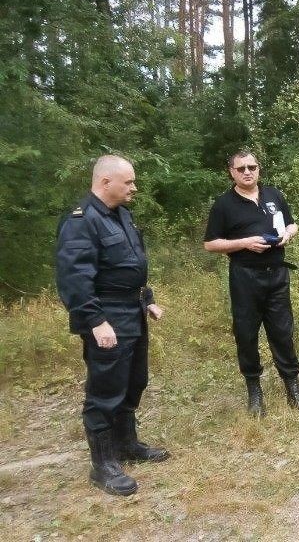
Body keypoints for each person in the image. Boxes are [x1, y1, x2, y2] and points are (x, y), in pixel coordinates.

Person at [56, 155, 169, 497]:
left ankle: (126, 444)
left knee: (134, 380)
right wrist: (95, 321)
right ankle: (102, 464)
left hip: (131, 311)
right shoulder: (81, 221)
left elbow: (131, 264)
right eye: (129, 182)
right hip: (107, 316)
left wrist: (146, 298)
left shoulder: (123, 216)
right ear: (106, 182)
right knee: (106, 389)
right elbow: (74, 278)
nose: (134, 187)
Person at [203, 150, 299, 416]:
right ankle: (254, 391)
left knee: (282, 331)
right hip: (245, 276)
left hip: (277, 273)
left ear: (259, 169)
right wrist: (244, 243)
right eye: (241, 168)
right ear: (231, 172)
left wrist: (289, 233)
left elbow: (292, 224)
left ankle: (294, 388)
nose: (247, 172)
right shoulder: (224, 204)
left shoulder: (273, 196)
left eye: (252, 167)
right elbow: (210, 244)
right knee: (246, 333)